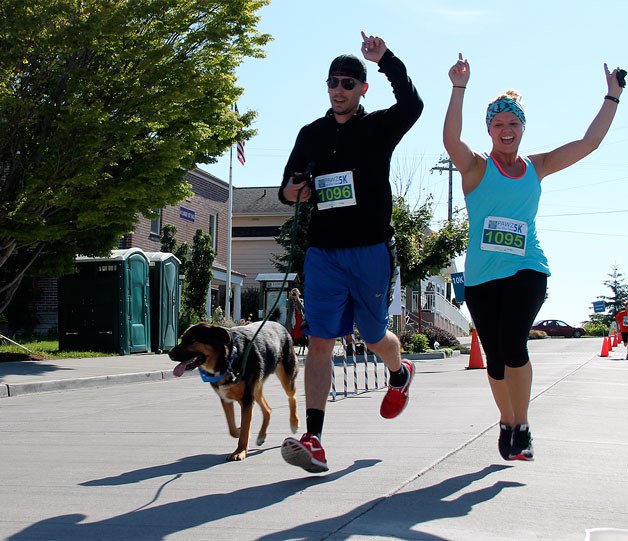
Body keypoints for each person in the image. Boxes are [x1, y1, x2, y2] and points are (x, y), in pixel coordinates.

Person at [443, 53, 623, 461]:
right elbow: (451, 141)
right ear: (489, 129)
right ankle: (507, 423)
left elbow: (588, 143)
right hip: (482, 277)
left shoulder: (535, 167)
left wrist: (612, 97)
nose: (506, 130)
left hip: (528, 268)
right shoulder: (475, 168)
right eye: (498, 124)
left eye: (513, 123)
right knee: (494, 358)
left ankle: (521, 425)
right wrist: (459, 89)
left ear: (523, 128)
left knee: (513, 343)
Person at [278, 31, 424, 473]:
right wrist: (293, 191)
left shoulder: (378, 127)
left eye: (347, 82)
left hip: (371, 249)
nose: (338, 89)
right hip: (323, 251)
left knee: (372, 334)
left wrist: (386, 59)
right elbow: (286, 190)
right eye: (332, 82)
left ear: (362, 89)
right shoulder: (311, 134)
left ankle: (399, 372)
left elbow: (413, 105)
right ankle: (315, 438)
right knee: (320, 342)